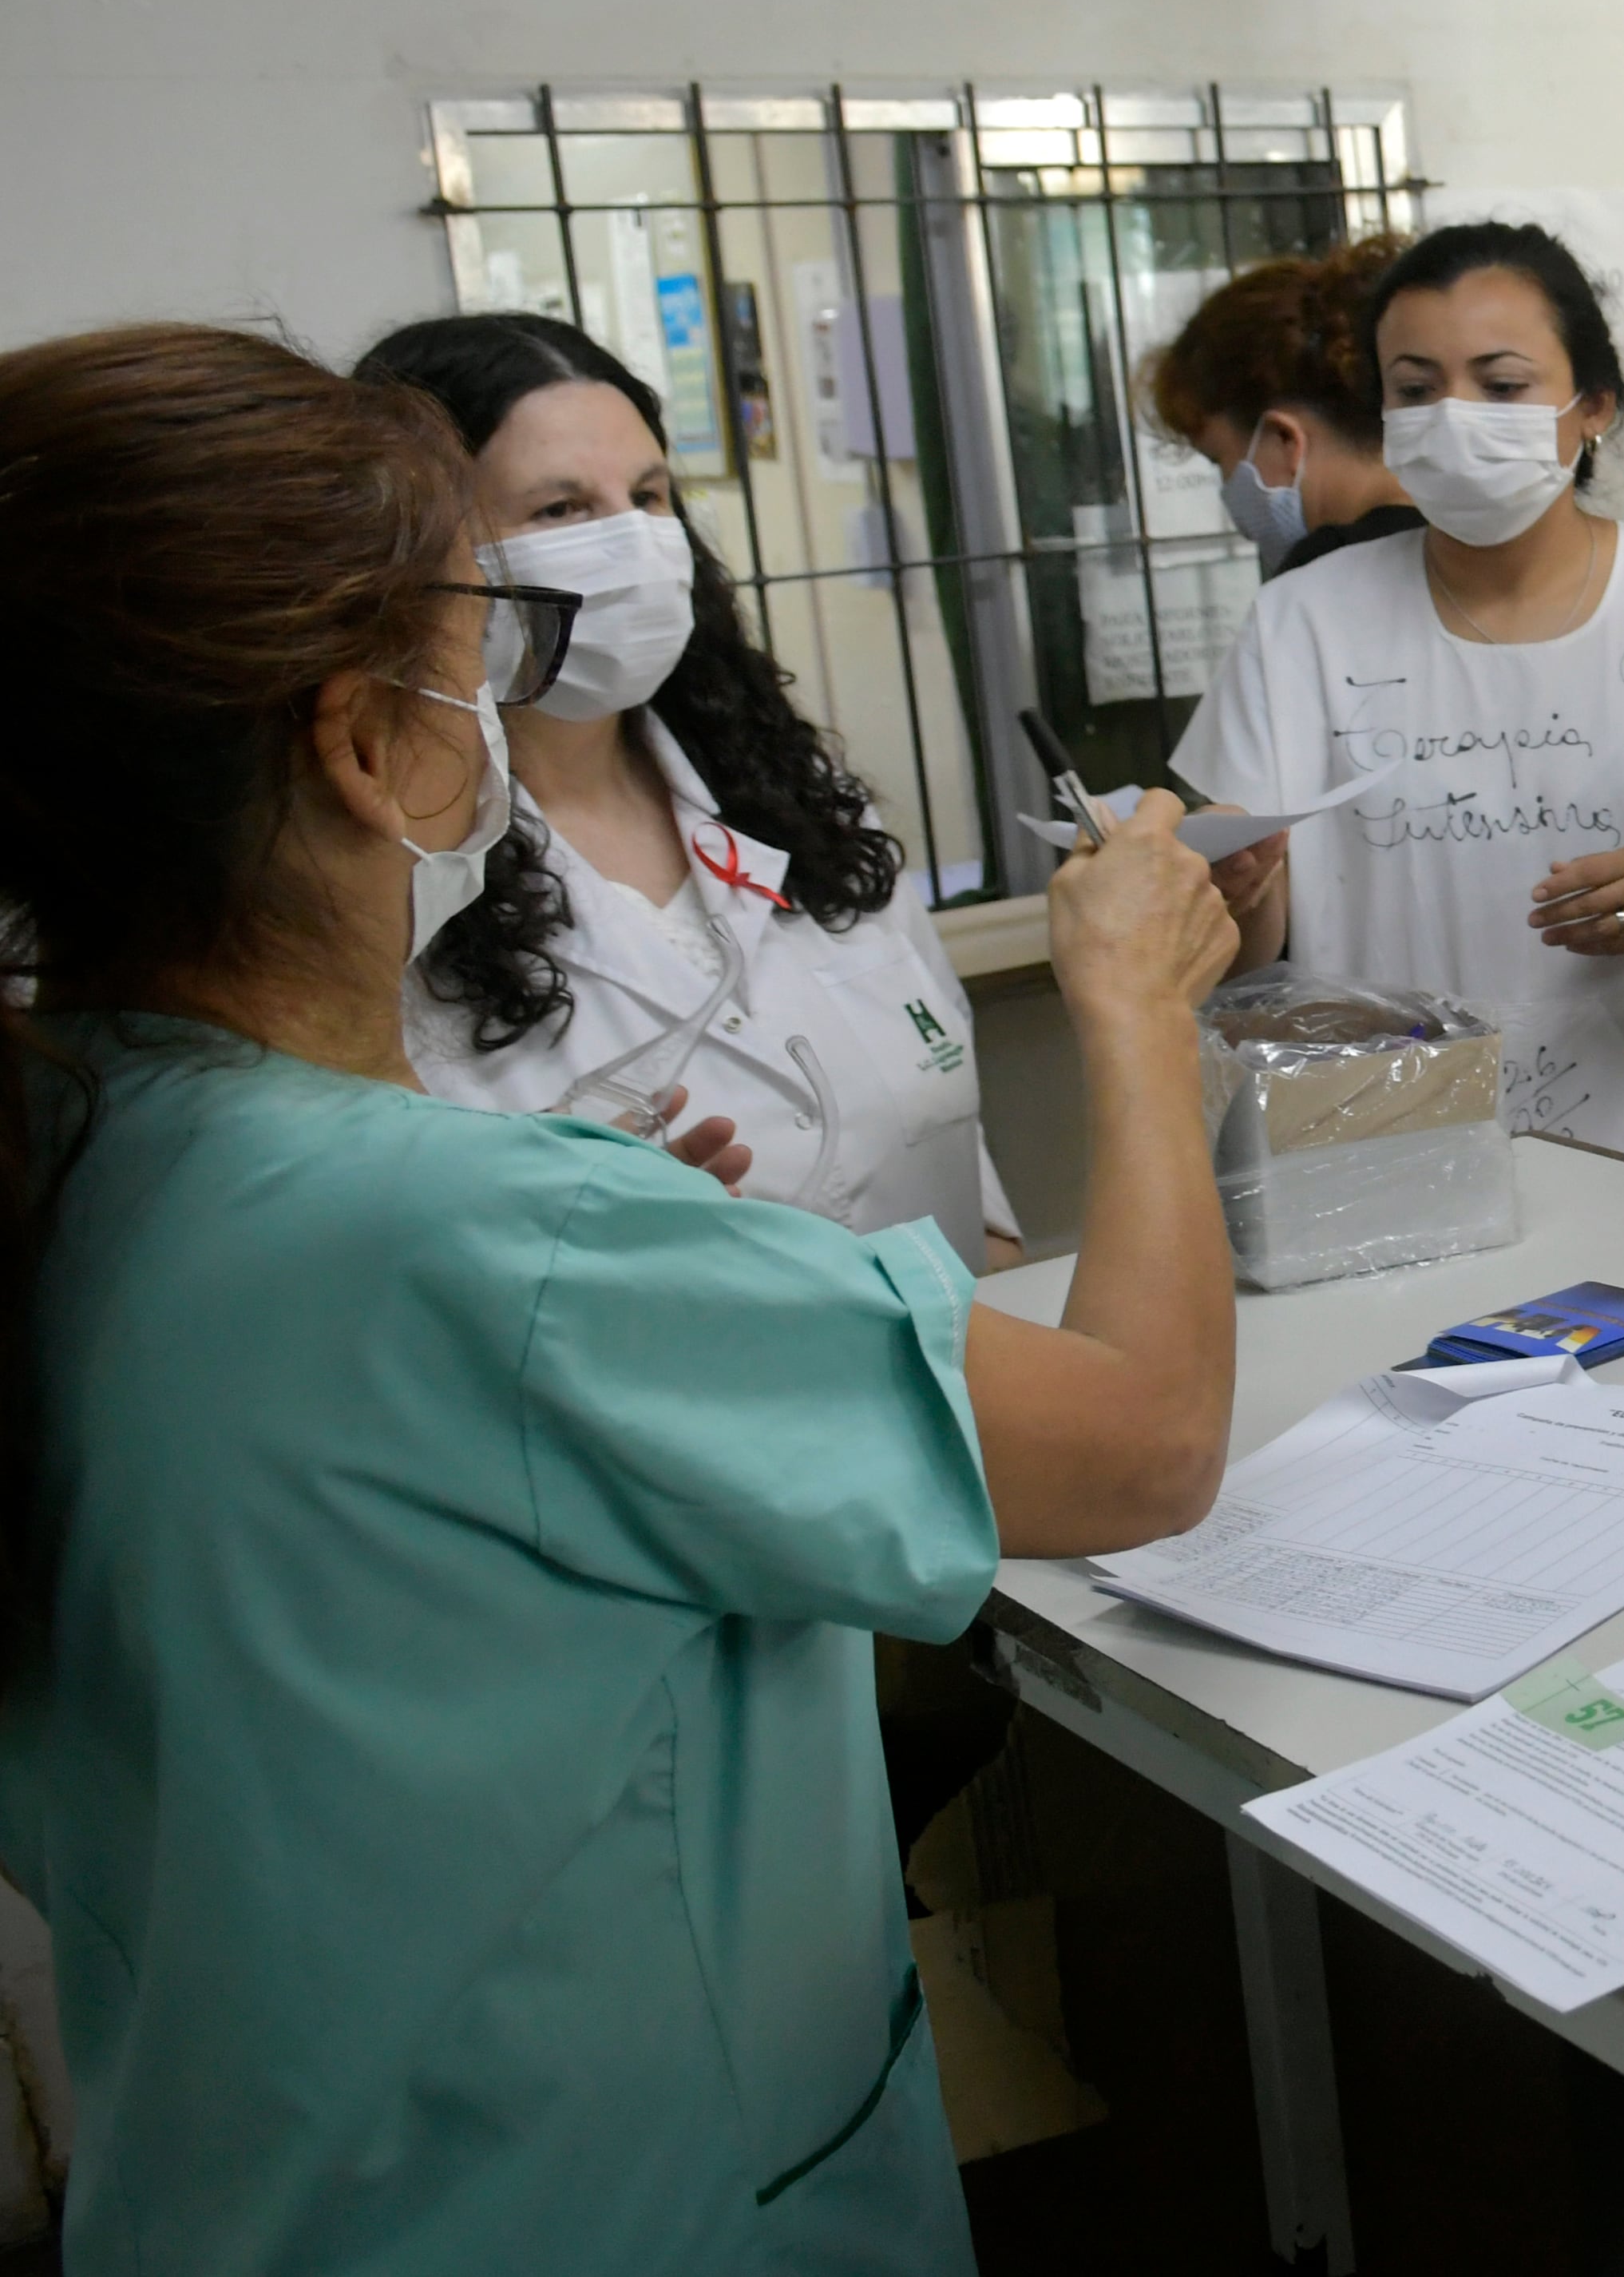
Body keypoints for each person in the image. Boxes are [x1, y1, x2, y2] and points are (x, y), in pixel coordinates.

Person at [0, 323, 1244, 2267]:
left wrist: (581, 1283)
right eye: (470, 651)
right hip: (610, 2201)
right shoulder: (492, 1238)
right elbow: (1150, 1441)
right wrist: (1136, 1008)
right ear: (356, 742)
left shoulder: (81, 1149)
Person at [1175, 220, 1624, 1194]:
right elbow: (1259, 945)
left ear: (1590, 405)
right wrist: (1234, 887)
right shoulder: (1302, 625)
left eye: (1501, 385)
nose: (1455, 416)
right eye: (1416, 389)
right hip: (1395, 1151)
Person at [356, 315, 1027, 1268]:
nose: (629, 542)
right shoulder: (384, 879)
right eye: (560, 510)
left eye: (647, 495)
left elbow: (963, 1173)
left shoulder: (799, 804)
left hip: (969, 1384)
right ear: (417, 552)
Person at [1143, 237, 1426, 581]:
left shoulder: (1319, 587)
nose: (1227, 487)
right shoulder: (1481, 543)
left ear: (1285, 440)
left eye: (1219, 460)